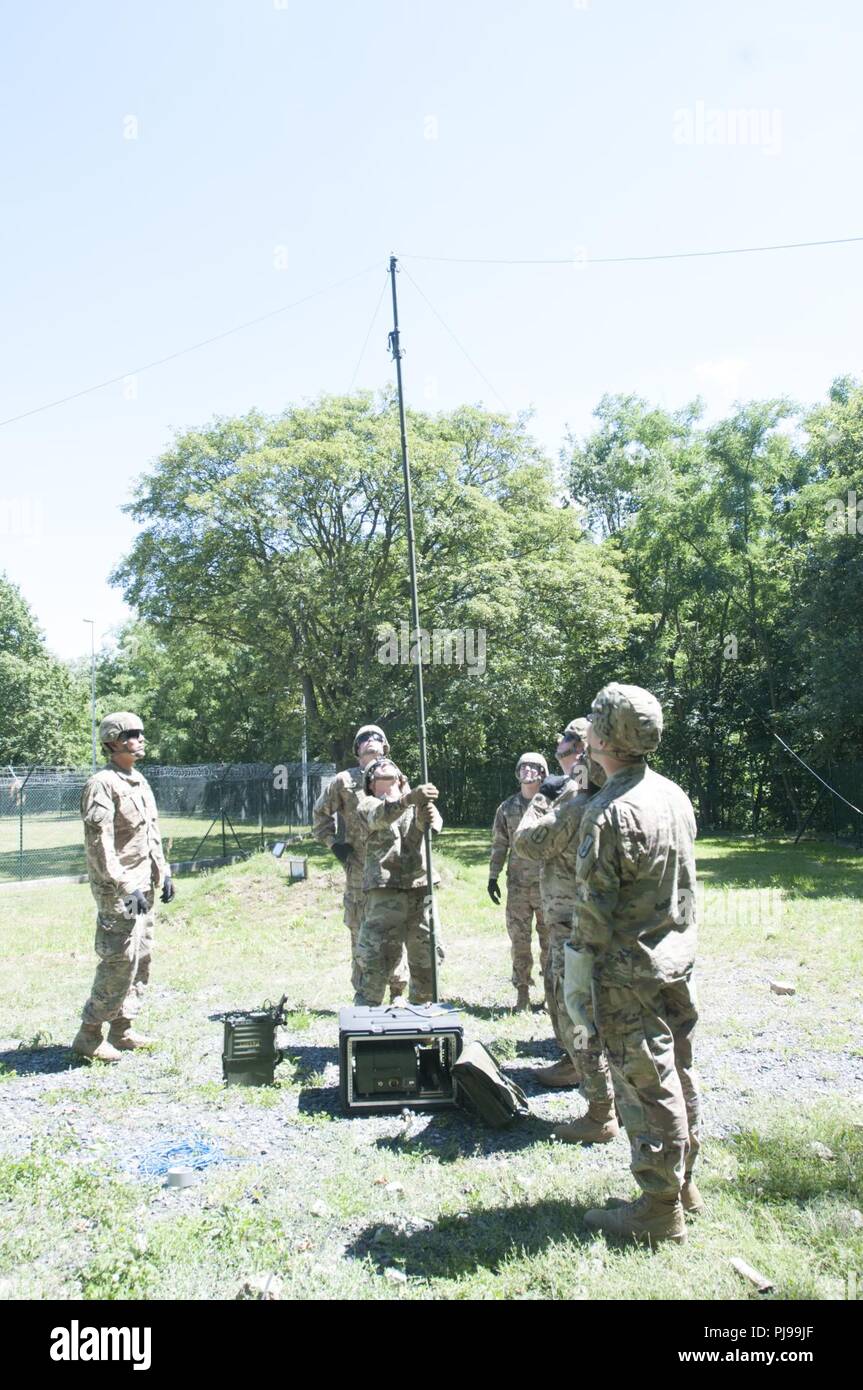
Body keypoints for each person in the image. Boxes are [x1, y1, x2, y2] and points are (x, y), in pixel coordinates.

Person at [570, 683, 701, 1246]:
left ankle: (658, 1207)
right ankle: (684, 1183)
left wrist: (577, 977)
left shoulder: (611, 810)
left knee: (645, 1087)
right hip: (674, 960)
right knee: (677, 1072)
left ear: (603, 737)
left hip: (629, 973)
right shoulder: (672, 793)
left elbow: (594, 909)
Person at [512, 723, 618, 1133]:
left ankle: (599, 1111)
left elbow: (527, 843)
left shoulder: (575, 801)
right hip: (608, 921)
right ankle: (579, 1069)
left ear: (585, 752)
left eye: (565, 753)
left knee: (572, 1008)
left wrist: (542, 798)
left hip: (571, 922)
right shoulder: (627, 793)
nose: (561, 761)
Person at [72, 713, 174, 1062]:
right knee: (119, 959)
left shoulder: (138, 780)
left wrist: (165, 872)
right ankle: (89, 1034)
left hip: (142, 889)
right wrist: (125, 885)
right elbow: (100, 846)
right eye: (133, 734)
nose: (141, 739)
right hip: (120, 892)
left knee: (141, 956)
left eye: (142, 733)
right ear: (114, 741)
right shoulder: (102, 784)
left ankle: (122, 1027)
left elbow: (150, 833)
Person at [312, 724, 408, 1002]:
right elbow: (320, 816)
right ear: (356, 750)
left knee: (394, 929)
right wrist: (335, 846)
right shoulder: (343, 781)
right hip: (360, 872)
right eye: (364, 739)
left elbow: (411, 816)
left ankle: (397, 991)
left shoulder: (397, 776)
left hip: (393, 870)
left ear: (385, 746)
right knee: (360, 929)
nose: (370, 742)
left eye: (377, 738)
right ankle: (363, 992)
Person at [353, 759, 442, 1006]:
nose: (385, 765)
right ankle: (364, 1030)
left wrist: (423, 820)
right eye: (378, 768)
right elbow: (380, 817)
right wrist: (408, 800)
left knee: (427, 961)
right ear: (371, 782)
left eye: (390, 766)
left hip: (420, 888)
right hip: (385, 894)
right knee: (375, 963)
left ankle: (424, 1027)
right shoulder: (368, 804)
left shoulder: (415, 803)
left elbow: (417, 839)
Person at [488, 753, 549, 1011]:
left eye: (534, 767)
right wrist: (493, 876)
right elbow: (499, 844)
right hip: (518, 888)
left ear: (543, 773)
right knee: (520, 942)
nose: (528, 770)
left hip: (548, 886)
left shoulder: (552, 805)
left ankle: (550, 995)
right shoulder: (507, 808)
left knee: (551, 943)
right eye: (523, 766)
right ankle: (522, 993)